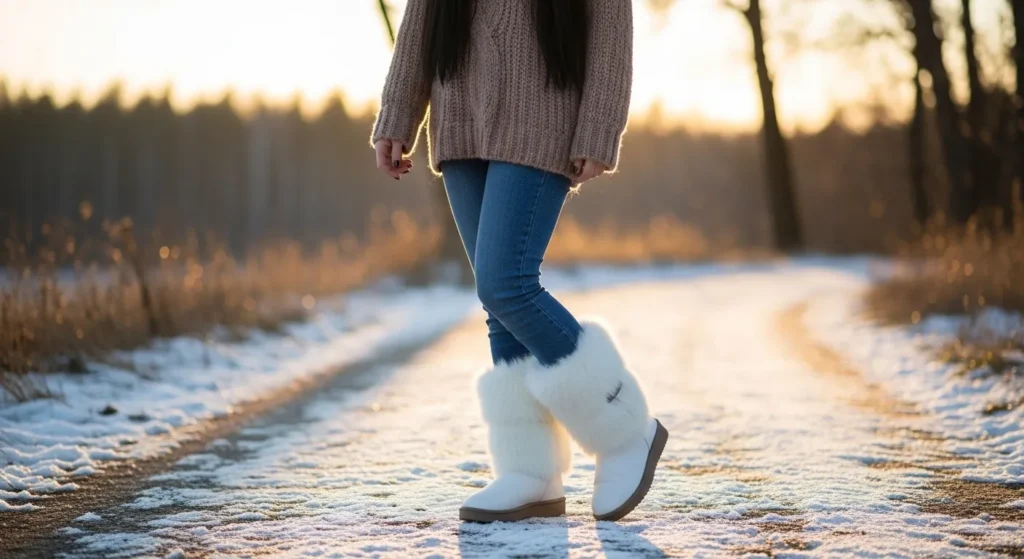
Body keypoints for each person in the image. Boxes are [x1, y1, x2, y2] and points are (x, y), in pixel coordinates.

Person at [371, 0, 667, 523]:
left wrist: (599, 126)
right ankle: (531, 472)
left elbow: (610, 22)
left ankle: (625, 430)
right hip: (460, 114)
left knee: (507, 285)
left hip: (543, 112)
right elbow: (422, 16)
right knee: (498, 302)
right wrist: (398, 115)